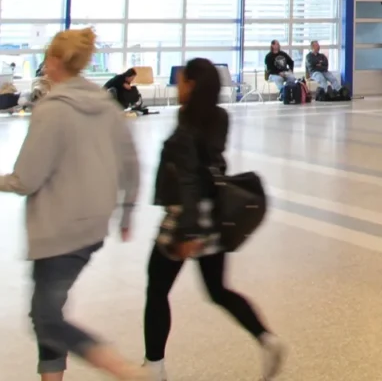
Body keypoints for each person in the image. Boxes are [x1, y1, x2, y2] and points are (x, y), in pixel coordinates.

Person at [0, 28, 142, 380]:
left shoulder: (51, 110)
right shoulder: (104, 104)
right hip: (93, 225)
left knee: (45, 317)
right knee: (50, 310)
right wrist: (126, 213)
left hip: (57, 228)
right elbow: (131, 163)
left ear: (56, 61)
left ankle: (119, 368)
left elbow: (26, 180)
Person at [144, 58, 285, 381]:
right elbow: (212, 165)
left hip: (186, 216)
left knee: (156, 289)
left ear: (191, 84)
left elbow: (189, 179)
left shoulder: (187, 123)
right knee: (217, 289)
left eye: (180, 81)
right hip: (215, 215)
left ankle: (153, 367)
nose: (177, 86)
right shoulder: (219, 117)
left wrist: (188, 230)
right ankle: (266, 339)